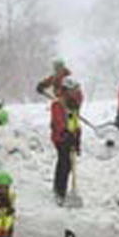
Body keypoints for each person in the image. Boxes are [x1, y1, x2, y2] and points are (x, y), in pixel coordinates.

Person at [51, 77, 83, 206]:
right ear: (66, 90)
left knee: (68, 165)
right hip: (61, 138)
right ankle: (60, 191)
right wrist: (65, 133)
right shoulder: (58, 104)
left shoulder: (73, 104)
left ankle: (59, 188)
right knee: (64, 164)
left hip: (71, 136)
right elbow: (58, 122)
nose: (75, 92)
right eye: (73, 90)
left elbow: (75, 122)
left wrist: (77, 138)